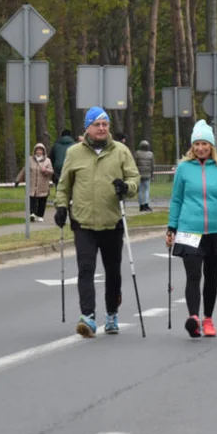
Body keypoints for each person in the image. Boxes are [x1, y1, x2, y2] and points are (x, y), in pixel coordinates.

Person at [54, 107, 139, 337]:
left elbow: (134, 179)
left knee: (113, 272)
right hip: (83, 221)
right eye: (97, 124)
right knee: (86, 269)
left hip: (112, 221)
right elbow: (64, 184)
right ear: (87, 127)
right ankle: (88, 317)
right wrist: (61, 206)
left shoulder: (121, 151)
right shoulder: (74, 153)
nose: (101, 128)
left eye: (105, 124)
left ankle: (112, 313)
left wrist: (126, 187)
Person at [166, 121, 217, 338]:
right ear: (192, 146)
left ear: (212, 146)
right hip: (189, 229)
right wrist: (172, 226)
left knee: (211, 275)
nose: (200, 148)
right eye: (197, 144)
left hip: (216, 229)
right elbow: (176, 199)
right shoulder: (183, 168)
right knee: (193, 274)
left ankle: (208, 318)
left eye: (204, 144)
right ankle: (193, 318)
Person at [15, 143, 53, 221]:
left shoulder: (47, 161)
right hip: (32, 184)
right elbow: (24, 170)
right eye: (37, 150)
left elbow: (51, 171)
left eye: (40, 150)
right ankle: (32, 213)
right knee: (32, 199)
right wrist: (17, 180)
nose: (39, 152)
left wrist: (46, 170)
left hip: (43, 184)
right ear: (35, 151)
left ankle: (40, 215)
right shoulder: (30, 160)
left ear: (43, 151)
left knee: (42, 200)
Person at [134, 140, 155, 212]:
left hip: (139, 175)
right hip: (147, 175)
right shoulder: (150, 154)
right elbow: (152, 166)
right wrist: (152, 175)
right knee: (146, 190)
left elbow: (134, 164)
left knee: (140, 191)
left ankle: (141, 205)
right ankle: (146, 205)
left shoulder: (137, 153)